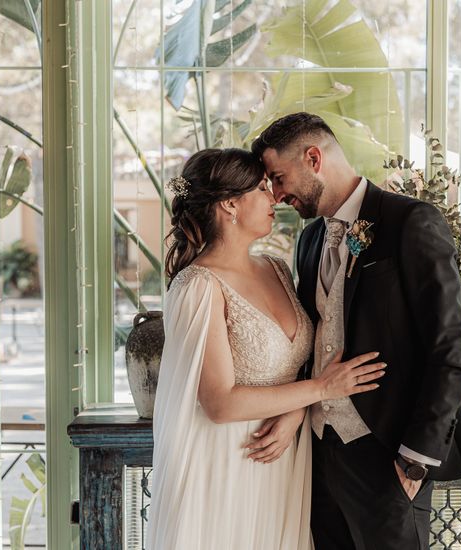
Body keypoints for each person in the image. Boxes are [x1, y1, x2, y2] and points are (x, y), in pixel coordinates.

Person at [251, 113, 461, 550]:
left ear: (314, 157)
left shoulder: (411, 222)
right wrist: (296, 412)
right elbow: (313, 345)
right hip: (319, 454)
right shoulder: (308, 242)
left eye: (279, 178)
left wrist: (415, 459)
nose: (277, 194)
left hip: (390, 455)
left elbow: (451, 351)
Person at [146, 148, 385, 550]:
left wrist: (295, 411)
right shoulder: (197, 287)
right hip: (228, 460)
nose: (274, 197)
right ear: (229, 204)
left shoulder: (276, 267)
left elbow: (302, 361)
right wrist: (323, 390)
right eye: (261, 187)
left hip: (284, 455)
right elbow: (220, 403)